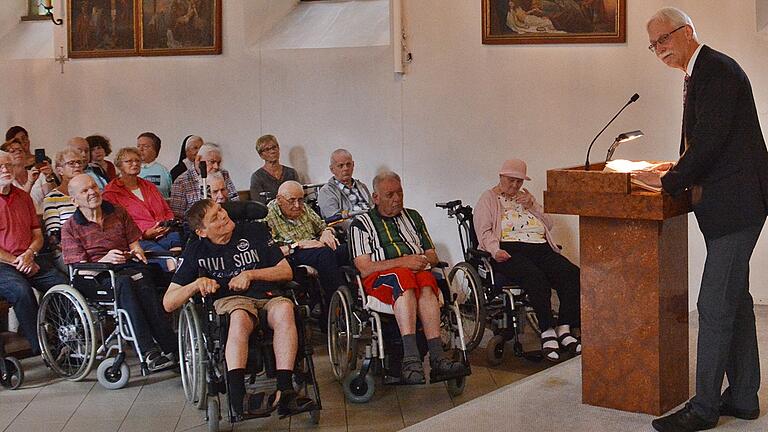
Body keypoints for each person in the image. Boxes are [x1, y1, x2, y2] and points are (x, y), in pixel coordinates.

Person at [636, 8, 768, 432]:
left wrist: (669, 180)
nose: (659, 50)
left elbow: (710, 140)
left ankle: (705, 408)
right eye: (653, 44)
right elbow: (708, 141)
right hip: (730, 206)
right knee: (736, 301)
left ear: (687, 31)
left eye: (664, 39)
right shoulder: (702, 72)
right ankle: (744, 398)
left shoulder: (716, 70)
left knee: (712, 306)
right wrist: (675, 175)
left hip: (738, 206)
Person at [163, 199, 317, 418]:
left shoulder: (254, 231)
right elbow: (169, 303)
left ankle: (286, 392)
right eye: (214, 218)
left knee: (285, 309)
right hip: (231, 301)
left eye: (221, 210)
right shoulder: (196, 250)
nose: (224, 216)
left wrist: (251, 274)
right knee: (240, 318)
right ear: (202, 231)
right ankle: (238, 398)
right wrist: (197, 284)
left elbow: (285, 271)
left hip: (267, 294)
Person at [348, 171, 467, 383]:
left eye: (400, 193)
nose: (397, 199)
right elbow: (364, 268)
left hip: (417, 274)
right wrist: (403, 261)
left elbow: (432, 255)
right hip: (379, 279)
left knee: (427, 281)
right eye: (390, 195)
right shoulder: (361, 224)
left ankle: (438, 358)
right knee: (403, 277)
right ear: (375, 197)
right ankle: (410, 359)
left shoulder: (413, 217)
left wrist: (420, 260)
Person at [61, 174, 177, 370]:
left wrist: (136, 252)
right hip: (93, 276)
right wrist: (105, 260)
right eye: (85, 190)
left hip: (125, 266)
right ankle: (148, 351)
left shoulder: (117, 211)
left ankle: (172, 347)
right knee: (125, 283)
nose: (92, 192)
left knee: (143, 277)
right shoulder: (70, 228)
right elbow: (80, 268)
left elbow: (134, 241)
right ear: (74, 200)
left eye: (93, 187)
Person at [474, 159, 581, 363]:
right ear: (501, 177)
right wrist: (495, 250)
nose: (515, 186)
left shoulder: (526, 197)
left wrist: (533, 206)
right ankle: (547, 330)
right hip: (509, 249)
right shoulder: (488, 198)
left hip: (540, 246)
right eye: (511, 181)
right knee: (535, 277)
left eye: (519, 182)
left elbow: (549, 224)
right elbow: (484, 231)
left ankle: (565, 328)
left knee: (572, 274)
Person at [0, 150, 68, 353]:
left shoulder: (23, 197)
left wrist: (29, 254)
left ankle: (67, 337)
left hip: (29, 258)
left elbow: (37, 234)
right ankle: (43, 348)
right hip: (4, 265)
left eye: (8, 166)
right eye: (0, 166)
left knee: (61, 283)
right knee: (21, 290)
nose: (5, 169)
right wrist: (17, 261)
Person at [265, 181, 347, 321]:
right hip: (293, 253)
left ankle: (355, 301)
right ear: (279, 200)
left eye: (300, 200)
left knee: (347, 249)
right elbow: (269, 252)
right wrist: (299, 244)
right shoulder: (268, 215)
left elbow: (322, 226)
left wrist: (327, 232)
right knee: (325, 255)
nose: (297, 205)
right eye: (292, 201)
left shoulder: (303, 208)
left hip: (317, 246)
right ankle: (336, 310)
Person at [102, 148, 182, 268]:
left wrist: (166, 225)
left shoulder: (149, 186)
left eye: (137, 161)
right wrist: (144, 234)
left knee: (181, 253)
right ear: (119, 166)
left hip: (164, 233)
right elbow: (116, 226)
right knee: (168, 260)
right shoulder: (111, 192)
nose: (134, 164)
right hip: (137, 240)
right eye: (129, 161)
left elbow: (167, 211)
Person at [170, 142, 238, 220]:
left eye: (218, 162)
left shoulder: (223, 174)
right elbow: (177, 216)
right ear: (198, 159)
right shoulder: (181, 182)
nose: (216, 166)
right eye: (212, 162)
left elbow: (234, 201)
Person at [42, 149, 86, 266]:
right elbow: (54, 237)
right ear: (59, 170)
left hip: (93, 245)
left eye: (79, 162)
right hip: (66, 251)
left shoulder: (89, 193)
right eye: (71, 163)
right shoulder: (52, 198)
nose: (77, 166)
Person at [317, 149, 372, 223]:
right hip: (352, 229)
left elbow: (373, 208)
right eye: (340, 165)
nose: (346, 168)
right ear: (332, 169)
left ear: (353, 165)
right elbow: (335, 220)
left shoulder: (362, 186)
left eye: (348, 164)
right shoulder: (326, 192)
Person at [0, 138, 55, 213]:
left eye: (20, 150)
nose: (18, 153)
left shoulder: (36, 172)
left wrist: (49, 177)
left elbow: (51, 196)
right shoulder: (5, 180)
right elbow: (17, 201)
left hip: (46, 215)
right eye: (13, 151)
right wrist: (30, 182)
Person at [249, 135, 299, 204]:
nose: (272, 151)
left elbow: (299, 196)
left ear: (278, 149)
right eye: (267, 149)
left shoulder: (291, 172)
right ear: (261, 155)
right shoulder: (257, 177)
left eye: (274, 147)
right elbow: (259, 204)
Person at [137, 132, 173, 198]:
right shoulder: (131, 170)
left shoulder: (163, 171)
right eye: (138, 146)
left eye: (145, 146)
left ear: (155, 150)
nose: (140, 149)